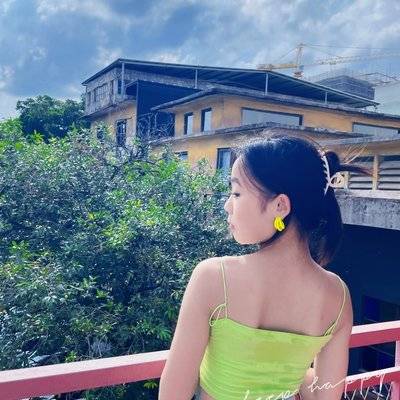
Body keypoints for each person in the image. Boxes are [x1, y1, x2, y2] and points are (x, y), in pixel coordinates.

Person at [158, 132, 371, 400]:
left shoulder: (213, 276)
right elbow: (325, 395)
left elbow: (174, 392)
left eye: (236, 193)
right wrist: (289, 374)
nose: (227, 205)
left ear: (280, 205)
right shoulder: (337, 296)